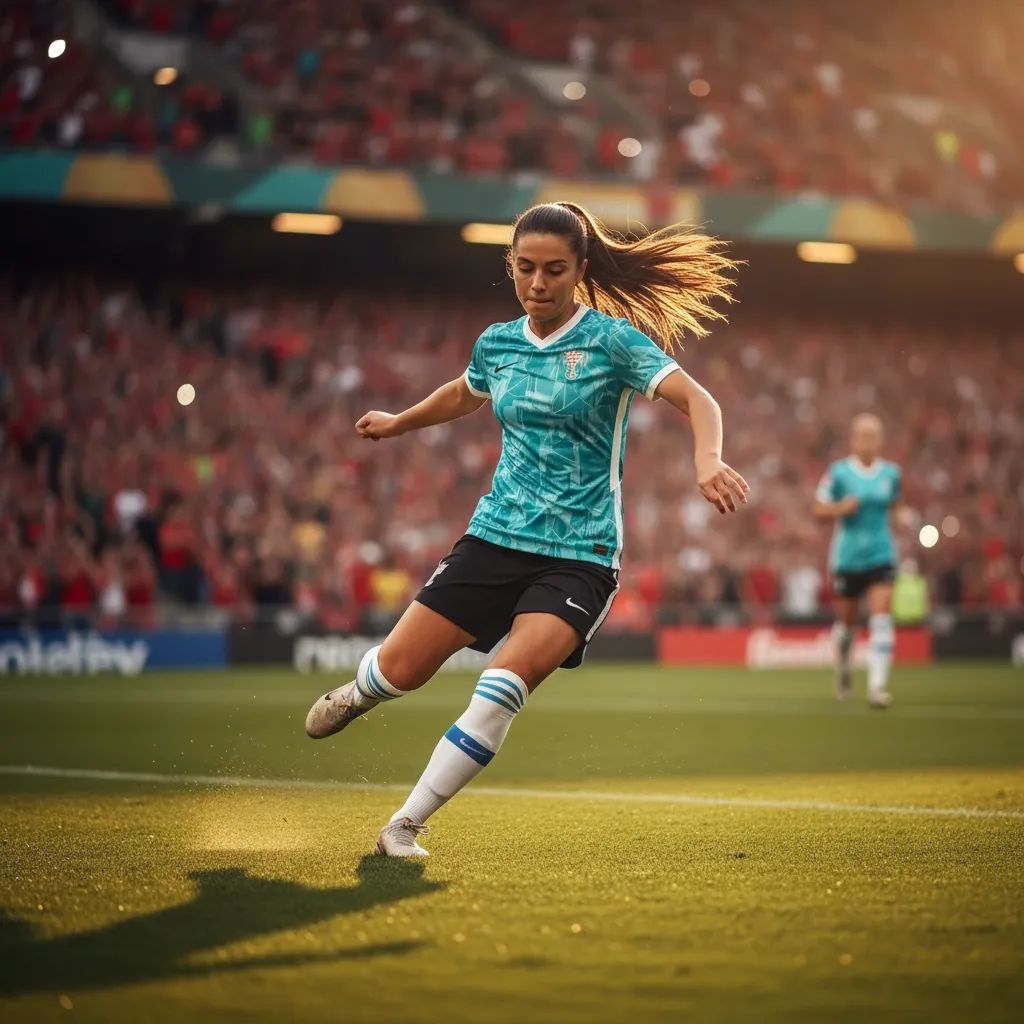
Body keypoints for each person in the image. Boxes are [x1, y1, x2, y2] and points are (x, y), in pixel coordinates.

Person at [305, 202, 749, 857]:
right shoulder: (498, 342)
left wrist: (706, 457)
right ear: (509, 266)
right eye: (525, 269)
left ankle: (404, 825)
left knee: (503, 683)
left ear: (580, 271)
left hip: (580, 555)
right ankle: (361, 690)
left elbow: (698, 399)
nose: (537, 283)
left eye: (553, 270)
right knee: (400, 670)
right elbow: (465, 391)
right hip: (495, 538)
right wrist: (400, 421)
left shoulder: (612, 341)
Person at [814, 413, 902, 707]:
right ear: (853, 440)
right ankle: (844, 669)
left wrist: (903, 517)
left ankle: (877, 687)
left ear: (881, 440)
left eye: (873, 435)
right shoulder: (838, 473)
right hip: (847, 558)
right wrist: (841, 508)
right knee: (847, 628)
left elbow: (897, 506)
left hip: (881, 553)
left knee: (881, 618)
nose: (867, 441)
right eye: (862, 435)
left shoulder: (891, 474)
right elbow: (817, 509)